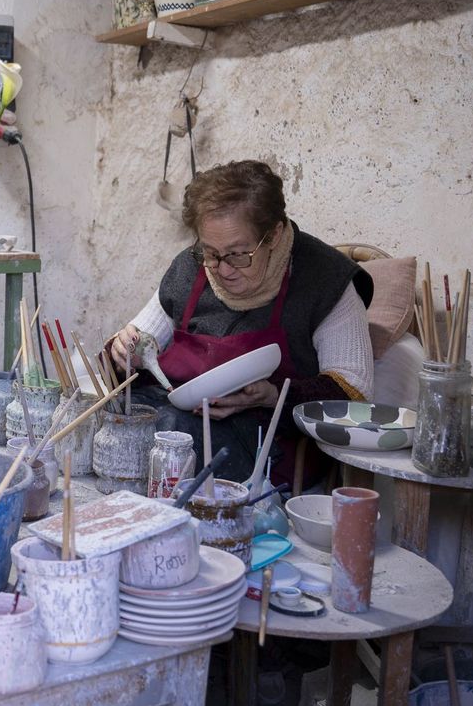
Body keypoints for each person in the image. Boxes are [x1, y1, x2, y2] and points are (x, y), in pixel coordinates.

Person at [107, 159, 373, 483]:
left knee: (166, 437)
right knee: (117, 419)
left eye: (237, 253)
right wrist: (126, 350)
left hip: (266, 448)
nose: (223, 268)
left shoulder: (324, 280)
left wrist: (274, 396)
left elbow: (354, 393)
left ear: (273, 234)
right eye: (211, 251)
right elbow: (141, 340)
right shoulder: (191, 266)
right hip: (176, 419)